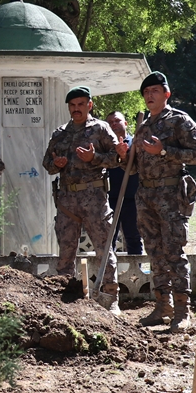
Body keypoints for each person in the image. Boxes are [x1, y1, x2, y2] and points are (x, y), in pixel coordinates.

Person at [115, 72, 196, 331]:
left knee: (173, 252)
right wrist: (123, 157)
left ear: (166, 94)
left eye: (155, 90)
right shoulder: (143, 127)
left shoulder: (179, 121)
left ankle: (182, 311)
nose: (150, 95)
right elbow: (133, 169)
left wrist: (163, 150)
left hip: (171, 195)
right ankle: (162, 306)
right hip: (146, 197)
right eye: (146, 92)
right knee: (154, 253)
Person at [42, 87, 121, 312]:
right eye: (72, 105)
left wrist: (94, 157)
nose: (76, 109)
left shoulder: (101, 128)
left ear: (89, 105)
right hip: (67, 200)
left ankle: (110, 296)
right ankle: (66, 297)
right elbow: (46, 163)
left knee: (103, 247)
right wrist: (56, 165)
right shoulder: (59, 133)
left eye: (80, 105)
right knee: (66, 250)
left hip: (94, 199)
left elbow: (117, 158)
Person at [104, 111, 143, 255]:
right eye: (110, 122)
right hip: (109, 199)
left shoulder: (135, 143)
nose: (114, 124)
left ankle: (136, 274)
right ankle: (110, 273)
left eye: (117, 121)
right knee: (109, 238)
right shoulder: (106, 146)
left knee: (133, 237)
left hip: (132, 198)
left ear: (125, 123)